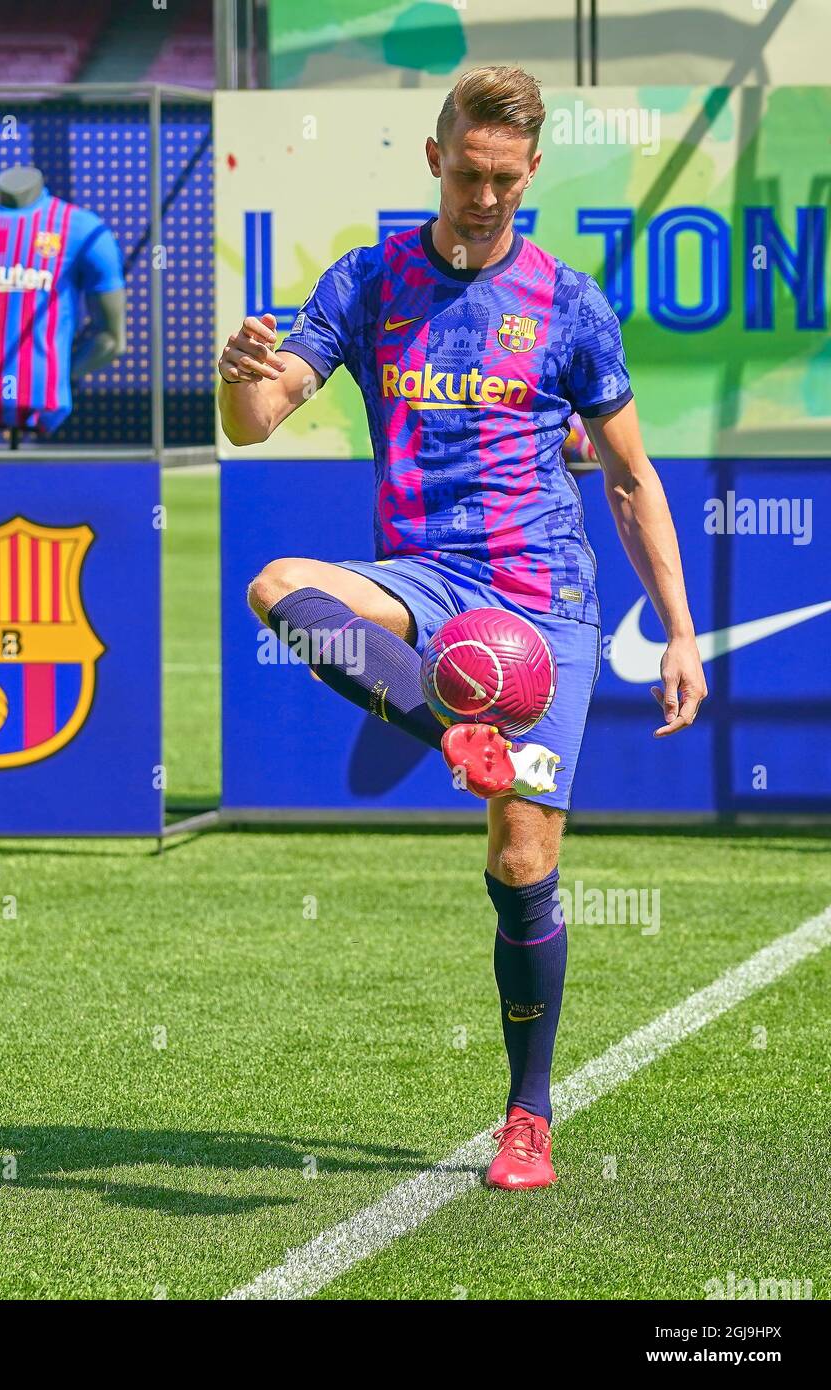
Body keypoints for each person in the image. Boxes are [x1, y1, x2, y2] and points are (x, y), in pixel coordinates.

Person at [217, 66, 707, 1189]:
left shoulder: (568, 303)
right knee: (279, 582)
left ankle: (524, 1115)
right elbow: (257, 421)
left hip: (542, 598)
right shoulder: (369, 278)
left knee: (520, 858)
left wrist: (677, 630)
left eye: (504, 179)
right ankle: (450, 721)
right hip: (424, 582)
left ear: (528, 174)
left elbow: (628, 477)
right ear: (433, 157)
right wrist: (238, 378)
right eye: (467, 171)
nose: (483, 195)